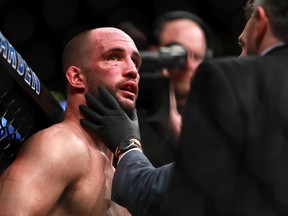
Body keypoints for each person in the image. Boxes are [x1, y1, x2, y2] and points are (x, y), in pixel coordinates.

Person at [80, 0, 288, 215]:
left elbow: (169, 195)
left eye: (243, 46)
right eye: (175, 53)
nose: (240, 58)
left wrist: (128, 145)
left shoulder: (231, 81)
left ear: (261, 23)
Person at [0, 27, 141, 216]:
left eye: (136, 62)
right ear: (76, 77)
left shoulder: (119, 175)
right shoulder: (62, 144)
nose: (132, 71)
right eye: (114, 57)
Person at [139, 10, 214, 167]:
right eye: (178, 55)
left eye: (198, 57)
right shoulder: (127, 105)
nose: (188, 65)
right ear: (154, 52)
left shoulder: (216, 113)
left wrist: (175, 128)